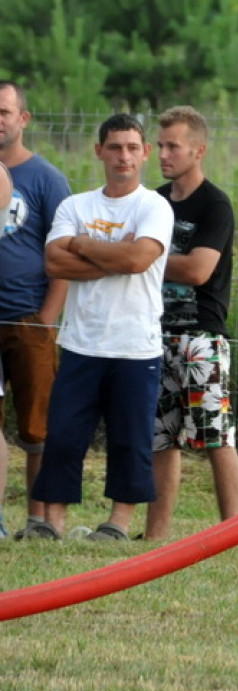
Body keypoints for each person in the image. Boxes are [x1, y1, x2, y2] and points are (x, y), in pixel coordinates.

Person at [27, 113, 173, 541]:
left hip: (135, 346)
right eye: (114, 147)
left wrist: (82, 244)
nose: (123, 156)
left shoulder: (153, 207)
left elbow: (138, 260)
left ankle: (117, 524)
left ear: (145, 153)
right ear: (99, 152)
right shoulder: (75, 206)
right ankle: (52, 523)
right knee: (64, 436)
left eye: (132, 148)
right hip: (81, 343)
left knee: (130, 440)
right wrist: (114, 255)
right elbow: (55, 263)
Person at [141, 105, 238, 540]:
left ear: (199, 151)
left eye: (173, 146)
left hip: (202, 336)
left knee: (215, 434)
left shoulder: (215, 205)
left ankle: (233, 531)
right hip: (154, 333)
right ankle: (155, 535)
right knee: (160, 438)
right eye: (160, 145)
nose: (163, 155)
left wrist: (142, 256)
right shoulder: (153, 201)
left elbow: (199, 270)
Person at [0, 80, 72, 540]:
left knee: (37, 429)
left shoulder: (47, 179)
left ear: (23, 119)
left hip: (28, 317)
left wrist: (47, 317)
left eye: (4, 112)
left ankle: (39, 520)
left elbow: (62, 252)